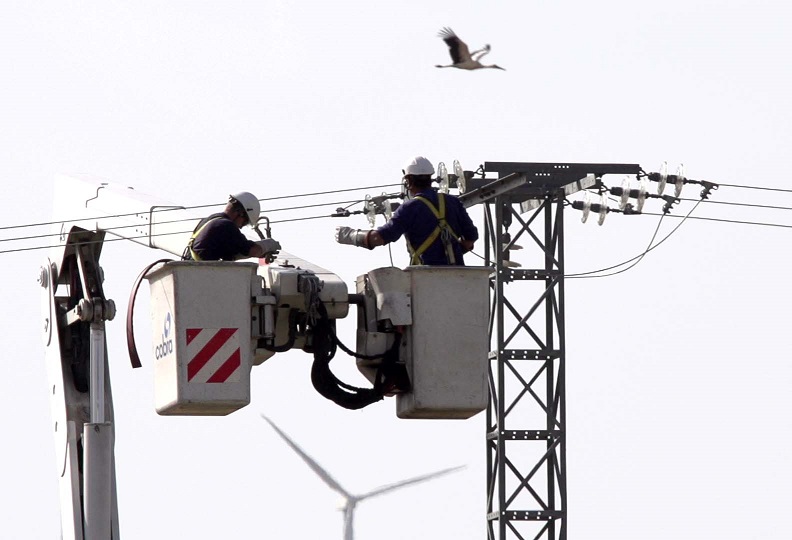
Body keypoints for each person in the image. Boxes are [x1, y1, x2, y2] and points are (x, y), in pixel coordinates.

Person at [335, 156, 478, 265]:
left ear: (408, 181)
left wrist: (350, 235)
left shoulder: (410, 208)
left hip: (425, 280)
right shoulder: (453, 202)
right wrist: (450, 253)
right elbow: (470, 240)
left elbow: (378, 238)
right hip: (459, 279)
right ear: (430, 177)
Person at [182, 191, 281, 261]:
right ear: (240, 213)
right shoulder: (226, 226)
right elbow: (251, 250)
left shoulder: (209, 220)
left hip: (191, 272)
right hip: (200, 276)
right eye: (244, 222)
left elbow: (233, 252)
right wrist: (268, 245)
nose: (241, 226)